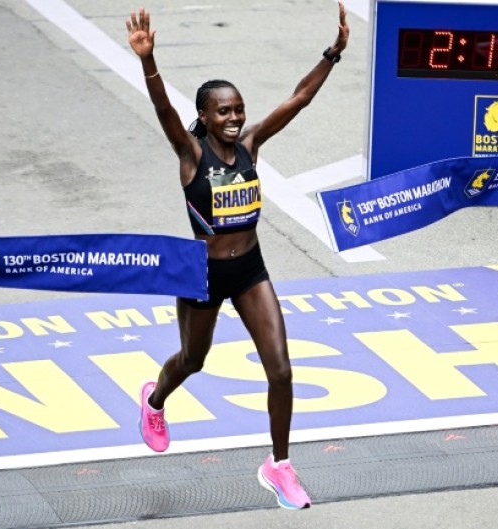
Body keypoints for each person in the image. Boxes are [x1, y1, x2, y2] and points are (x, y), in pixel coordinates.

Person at [126, 2, 349, 508]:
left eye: (238, 108)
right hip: (201, 275)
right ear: (204, 117)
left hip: (250, 269)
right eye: (223, 111)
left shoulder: (251, 143)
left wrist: (331, 56)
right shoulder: (191, 155)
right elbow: (163, 110)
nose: (234, 117)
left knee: (282, 370)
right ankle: (154, 400)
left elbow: (299, 98)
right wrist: (148, 60)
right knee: (192, 360)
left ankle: (280, 465)